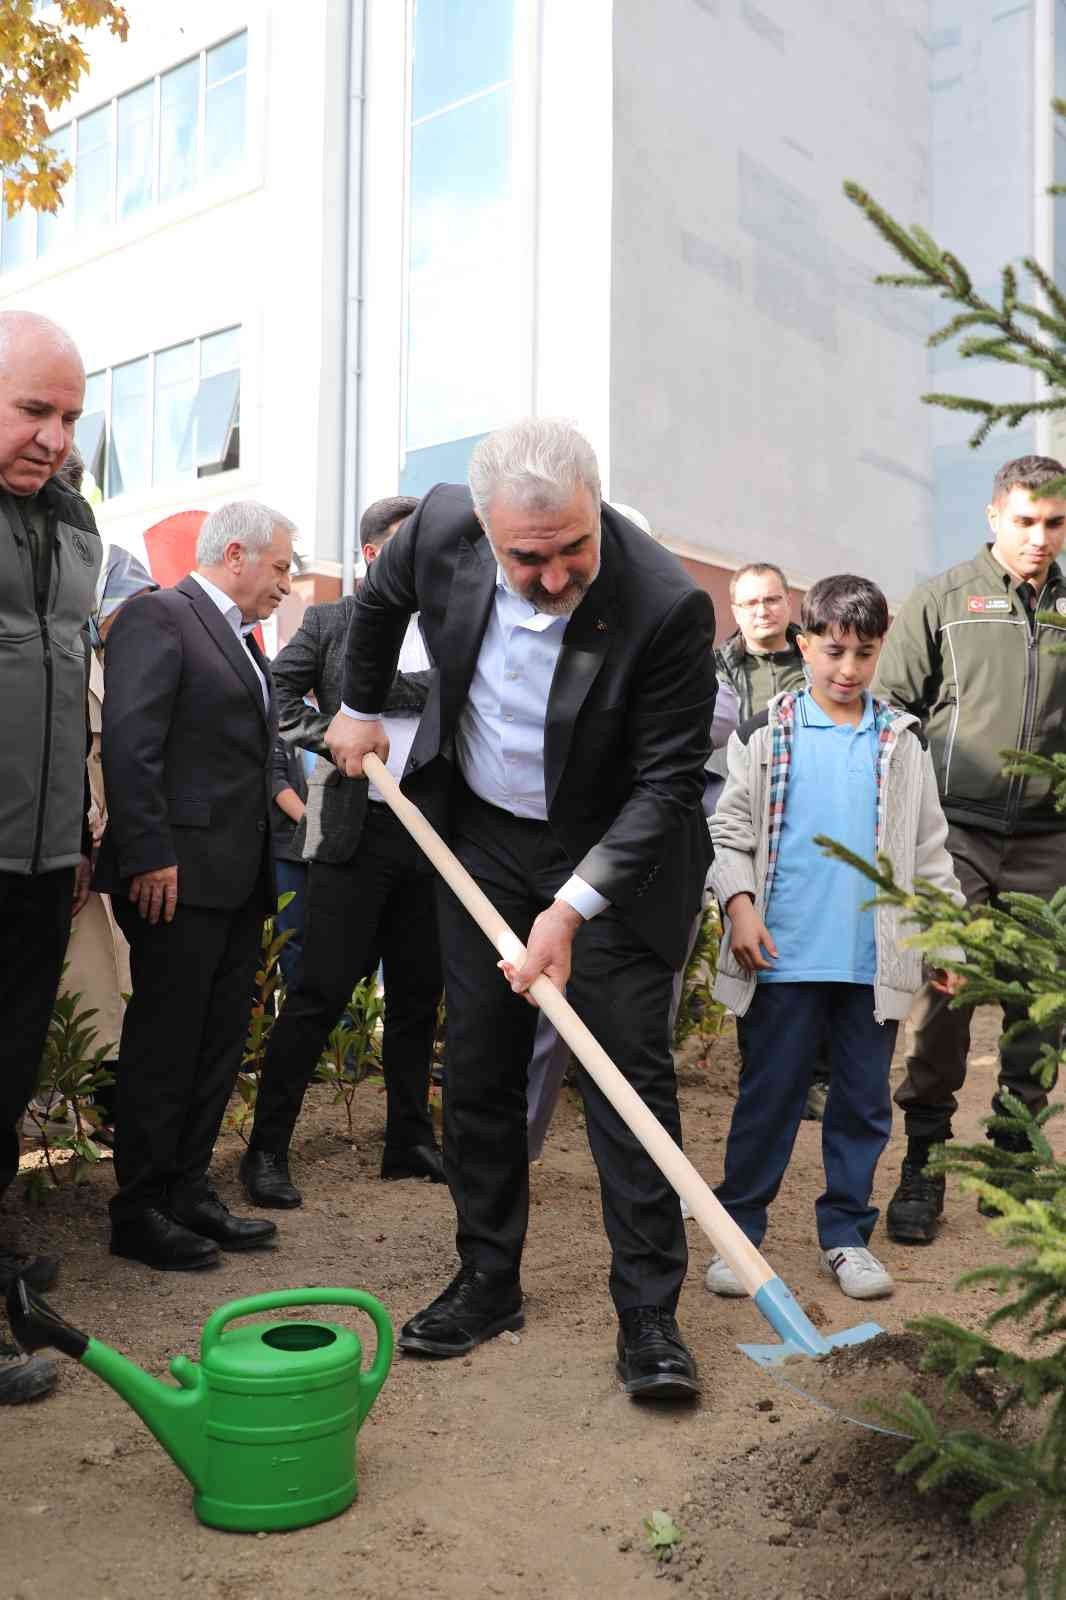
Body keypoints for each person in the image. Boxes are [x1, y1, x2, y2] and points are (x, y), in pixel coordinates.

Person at [325, 418, 716, 1402]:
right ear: (488, 533)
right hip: (485, 835)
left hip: (614, 853)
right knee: (485, 1061)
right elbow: (373, 610)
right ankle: (487, 1277)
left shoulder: (664, 603)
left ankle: (648, 1316)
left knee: (625, 1070)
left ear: (594, 503)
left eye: (572, 550)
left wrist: (573, 908)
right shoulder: (440, 530)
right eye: (528, 558)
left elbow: (668, 783)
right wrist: (359, 704)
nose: (552, 577)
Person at [704, 576, 964, 1302]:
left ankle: (846, 1236)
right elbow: (728, 832)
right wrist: (741, 907)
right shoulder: (765, 733)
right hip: (780, 957)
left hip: (871, 963)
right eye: (834, 650)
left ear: (881, 651)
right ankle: (740, 1235)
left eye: (864, 653)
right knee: (769, 1099)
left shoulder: (900, 743)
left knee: (861, 1105)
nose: (847, 669)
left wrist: (945, 943)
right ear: (804, 642)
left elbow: (930, 852)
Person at [94, 501, 294, 1269]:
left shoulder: (246, 642)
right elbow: (133, 740)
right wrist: (148, 852)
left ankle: (187, 1191)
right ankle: (139, 1207)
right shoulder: (163, 616)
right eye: (279, 567)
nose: (283, 583)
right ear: (235, 553)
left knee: (215, 1045)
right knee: (165, 1046)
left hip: (236, 877)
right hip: (175, 875)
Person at [874, 454, 1066, 1244]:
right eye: (1025, 521)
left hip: (1051, 843)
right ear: (994, 518)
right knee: (944, 1000)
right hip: (956, 837)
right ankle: (924, 1161)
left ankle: (1016, 1159)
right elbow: (889, 713)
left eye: (1054, 524)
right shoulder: (944, 601)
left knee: (1038, 1009)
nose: (1040, 539)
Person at [240, 495, 444, 1209]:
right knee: (318, 993)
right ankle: (266, 1151)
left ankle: (409, 1140)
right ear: (372, 555)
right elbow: (275, 694)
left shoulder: (454, 627)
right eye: (409, 545)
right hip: (351, 829)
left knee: (419, 996)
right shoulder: (331, 623)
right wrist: (335, 730)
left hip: (432, 836)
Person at [0, 311, 100, 1404]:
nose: (54, 437)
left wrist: (75, 831)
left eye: (69, 415)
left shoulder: (75, 524)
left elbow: (70, 692)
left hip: (34, 864)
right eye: (33, 410)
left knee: (5, 1079)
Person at [269, 732, 312, 991]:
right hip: (289, 847)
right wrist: (315, 827)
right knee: (292, 936)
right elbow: (276, 781)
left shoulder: (340, 711)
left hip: (336, 849)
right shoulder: (281, 713)